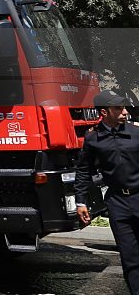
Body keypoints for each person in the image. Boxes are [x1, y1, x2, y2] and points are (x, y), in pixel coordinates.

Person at [76, 89, 139, 295]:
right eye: (118, 108)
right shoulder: (93, 139)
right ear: (104, 113)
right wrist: (81, 202)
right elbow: (83, 171)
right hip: (117, 203)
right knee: (130, 258)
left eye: (124, 108)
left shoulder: (136, 132)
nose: (124, 112)